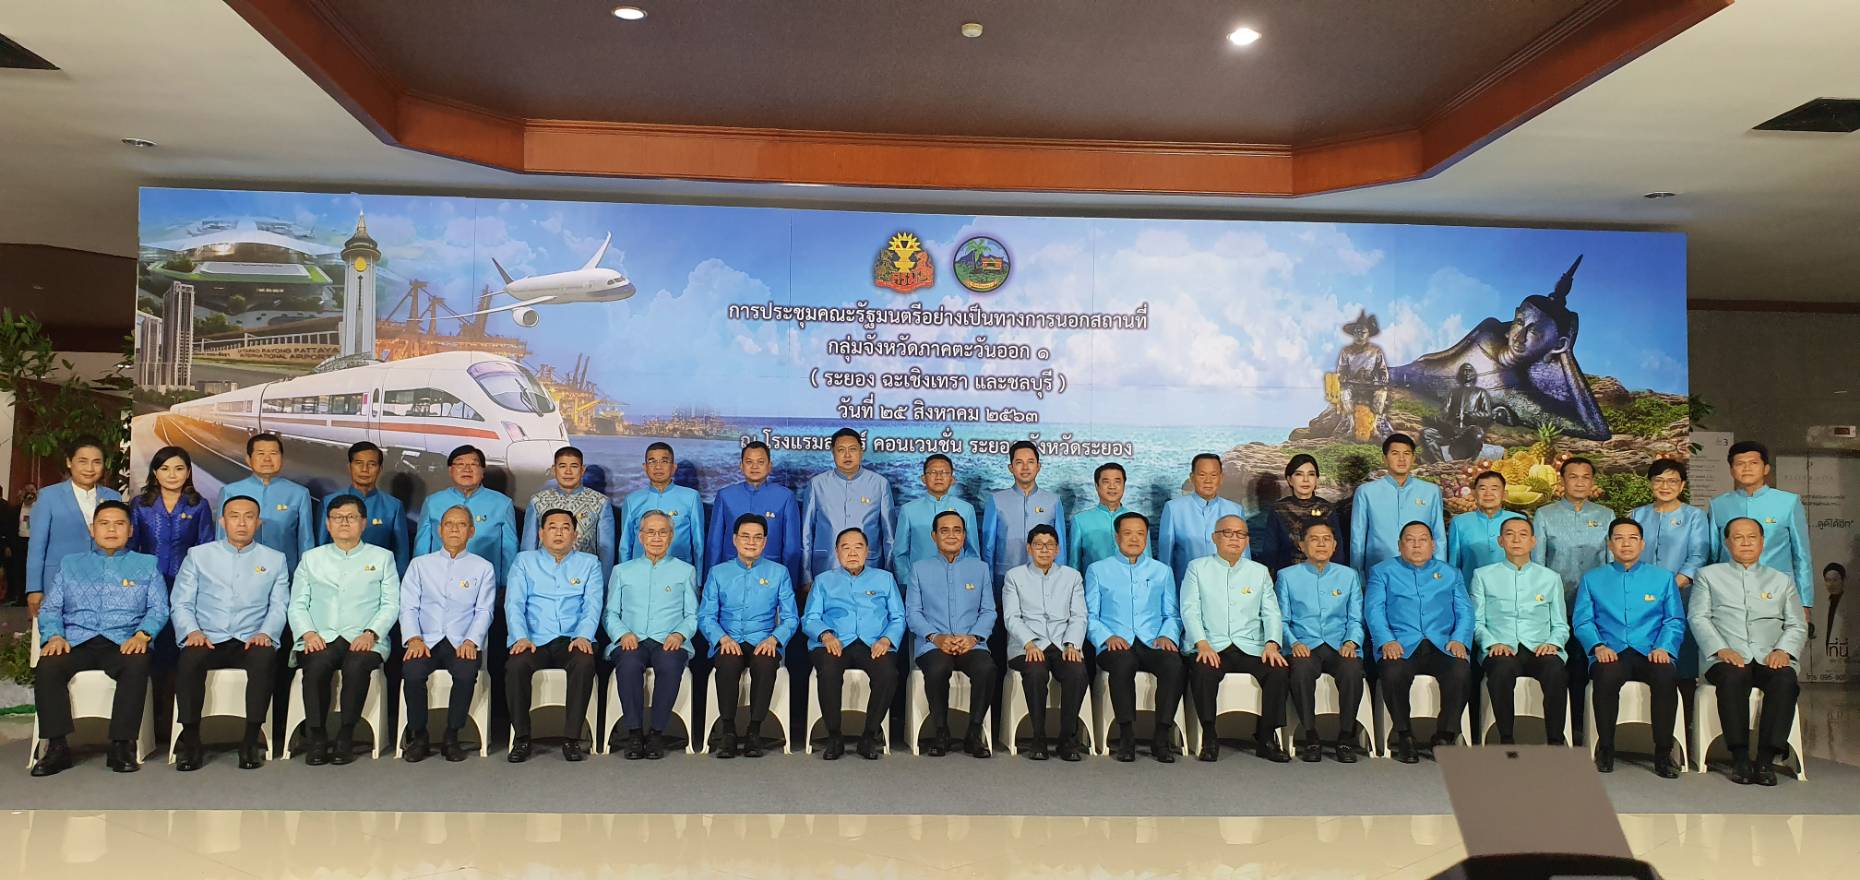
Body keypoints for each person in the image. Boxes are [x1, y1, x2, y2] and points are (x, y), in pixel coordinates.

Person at [30, 501, 167, 777]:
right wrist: (54, 635)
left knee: (137, 663)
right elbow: (51, 608)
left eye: (119, 524)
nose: (111, 530)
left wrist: (142, 635)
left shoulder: (146, 565)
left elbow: (159, 608)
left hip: (123, 641)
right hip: (76, 641)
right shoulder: (71, 564)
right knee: (48, 665)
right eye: (104, 524)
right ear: (92, 530)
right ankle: (56, 747)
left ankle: (122, 745)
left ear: (130, 530)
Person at [169, 495, 289, 771]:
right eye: (234, 516)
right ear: (223, 522)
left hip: (250, 637)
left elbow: (279, 605)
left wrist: (266, 633)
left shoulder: (274, 559)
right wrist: (192, 631)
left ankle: (250, 741)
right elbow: (181, 602)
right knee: (189, 660)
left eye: (249, 517)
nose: (242, 523)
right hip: (207, 636)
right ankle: (191, 741)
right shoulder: (199, 555)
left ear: (258, 522)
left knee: (264, 659)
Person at [1691, 518, 1807, 786]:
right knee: (1733, 677)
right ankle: (1740, 757)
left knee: (1785, 680)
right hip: (1725, 655)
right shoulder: (1708, 576)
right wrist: (1721, 648)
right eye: (1738, 537)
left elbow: (1797, 624)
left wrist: (1783, 650)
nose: (1746, 543)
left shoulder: (1781, 580)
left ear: (1762, 542)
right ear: (1727, 542)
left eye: (1752, 537)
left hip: (1770, 655)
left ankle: (1766, 759)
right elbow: (1698, 617)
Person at [289, 495, 400, 766]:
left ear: (363, 523)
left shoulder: (382, 558)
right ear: (328, 524)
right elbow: (297, 604)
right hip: (319, 636)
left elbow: (391, 604)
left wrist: (371, 633)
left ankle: (345, 735)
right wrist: (308, 634)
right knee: (315, 666)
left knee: (356, 666)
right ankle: (317, 736)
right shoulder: (311, 558)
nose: (344, 523)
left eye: (351, 517)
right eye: (337, 518)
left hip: (365, 637)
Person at [1574, 518, 1684, 777]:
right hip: (1610, 650)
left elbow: (1674, 620)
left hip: (1651, 650)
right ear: (1610, 544)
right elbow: (1583, 621)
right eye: (1619, 538)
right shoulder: (1592, 579)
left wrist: (1664, 648)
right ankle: (1606, 748)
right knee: (1606, 675)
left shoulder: (1663, 578)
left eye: (1632, 538)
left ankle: (1663, 752)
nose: (1626, 544)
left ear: (1642, 544)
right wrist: (1597, 646)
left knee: (1665, 675)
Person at [1179, 514, 1291, 763]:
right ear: (1214, 537)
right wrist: (1201, 643)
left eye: (1241, 534)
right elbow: (1189, 609)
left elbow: (1271, 612)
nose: (1234, 539)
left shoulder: (1258, 572)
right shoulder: (1197, 568)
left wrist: (1272, 643)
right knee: (1203, 670)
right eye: (1227, 533)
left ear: (1247, 541)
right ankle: (1210, 735)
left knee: (1278, 670)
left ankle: (1266, 737)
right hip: (1211, 644)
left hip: (1251, 646)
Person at [127, 446, 216, 741]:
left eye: (179, 469)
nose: (172, 475)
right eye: (165, 469)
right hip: (149, 589)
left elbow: (205, 549)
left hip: (187, 589)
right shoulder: (140, 505)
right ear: (155, 473)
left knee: (182, 653)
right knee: (153, 651)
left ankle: (181, 723)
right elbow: (132, 548)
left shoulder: (198, 505)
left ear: (188, 472)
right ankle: (154, 724)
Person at [1366, 521, 1472, 764]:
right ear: (1399, 545)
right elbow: (1374, 610)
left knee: (1460, 670)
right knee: (1393, 672)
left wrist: (1459, 639)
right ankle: (1404, 735)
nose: (1416, 545)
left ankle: (1445, 735)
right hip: (1401, 643)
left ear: (1432, 545)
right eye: (1410, 540)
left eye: (1422, 539)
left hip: (1442, 644)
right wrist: (1386, 640)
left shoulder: (1450, 573)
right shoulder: (1382, 572)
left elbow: (1465, 611)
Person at [397, 505, 496, 763]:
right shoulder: (420, 565)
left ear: (471, 531)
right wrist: (414, 638)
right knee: (412, 672)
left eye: (461, 524)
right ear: (439, 530)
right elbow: (408, 607)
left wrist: (471, 640)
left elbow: (484, 610)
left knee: (465, 672)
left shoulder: (483, 568)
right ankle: (419, 736)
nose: (454, 529)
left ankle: (452, 736)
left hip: (462, 640)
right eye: (448, 524)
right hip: (425, 640)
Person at [503, 509, 603, 763]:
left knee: (584, 662)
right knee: (515, 666)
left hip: (572, 639)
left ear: (575, 534)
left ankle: (572, 739)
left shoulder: (590, 563)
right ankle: (522, 738)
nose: (559, 533)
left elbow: (592, 606)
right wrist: (520, 637)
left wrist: (583, 636)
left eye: (565, 527)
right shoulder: (524, 561)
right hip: (533, 640)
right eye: (552, 527)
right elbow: (514, 604)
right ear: (541, 533)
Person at [1085, 511, 1184, 763]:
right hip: (1114, 643)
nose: (1134, 539)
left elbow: (1172, 614)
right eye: (1128, 533)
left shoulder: (1162, 571)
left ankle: (1161, 736)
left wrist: (1167, 635)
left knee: (1174, 664)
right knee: (1123, 663)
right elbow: (1089, 616)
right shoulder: (1098, 570)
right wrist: (1106, 637)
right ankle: (1126, 736)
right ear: (1117, 537)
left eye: (1140, 534)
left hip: (1152, 640)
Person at [700, 514, 799, 758]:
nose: (751, 542)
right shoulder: (718, 573)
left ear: (765, 542)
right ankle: (728, 731)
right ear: (734, 539)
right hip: (728, 639)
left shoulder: (779, 573)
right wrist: (722, 638)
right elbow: (706, 616)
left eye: (757, 537)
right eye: (745, 536)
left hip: (763, 640)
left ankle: (755, 731)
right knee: (727, 662)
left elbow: (790, 618)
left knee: (765, 664)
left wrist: (774, 639)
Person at [804, 528, 904, 760]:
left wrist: (886, 639)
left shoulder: (885, 579)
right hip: (834, 642)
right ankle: (834, 736)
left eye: (858, 547)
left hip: (874, 642)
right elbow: (810, 618)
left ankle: (869, 736)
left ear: (867, 551)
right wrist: (825, 635)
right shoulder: (823, 581)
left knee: (888, 674)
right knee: (828, 670)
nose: (852, 553)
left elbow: (898, 617)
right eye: (845, 547)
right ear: (837, 552)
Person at [606, 510, 698, 760]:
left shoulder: (685, 571)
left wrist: (679, 634)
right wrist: (622, 633)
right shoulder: (622, 571)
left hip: (668, 640)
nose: (656, 538)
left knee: (669, 664)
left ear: (671, 536)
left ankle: (657, 732)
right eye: (650, 532)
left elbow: (692, 615)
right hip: (631, 639)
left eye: (662, 532)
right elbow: (610, 613)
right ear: (640, 536)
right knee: (628, 663)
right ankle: (634, 733)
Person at [1468, 518, 1569, 745]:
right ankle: (1506, 738)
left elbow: (1561, 625)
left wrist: (1553, 643)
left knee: (1555, 669)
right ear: (1500, 541)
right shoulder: (1483, 576)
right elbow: (1476, 621)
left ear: (1533, 541)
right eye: (1509, 534)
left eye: (1523, 534)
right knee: (1501, 669)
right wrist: (1492, 643)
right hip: (1500, 647)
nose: (1516, 539)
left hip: (1540, 646)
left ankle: (1555, 740)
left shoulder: (1550, 578)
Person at [907, 511, 998, 758]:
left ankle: (974, 733)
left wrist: (973, 637)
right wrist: (935, 637)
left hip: (971, 643)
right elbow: (913, 613)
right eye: (944, 530)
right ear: (934, 536)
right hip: (933, 644)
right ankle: (941, 732)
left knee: (986, 668)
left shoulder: (979, 569)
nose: (951, 535)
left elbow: (988, 611)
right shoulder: (919, 569)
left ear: (964, 535)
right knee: (938, 668)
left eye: (957, 530)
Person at [1532, 455, 1611, 740]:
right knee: (1558, 666)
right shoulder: (1545, 515)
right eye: (1573, 477)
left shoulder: (1606, 515)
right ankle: (1557, 726)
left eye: (1585, 477)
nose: (1579, 482)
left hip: (1594, 607)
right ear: (1562, 481)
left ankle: (1582, 725)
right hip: (1556, 605)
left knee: (1586, 665)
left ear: (1592, 481)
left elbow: (1610, 563)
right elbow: (1538, 563)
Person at [1276, 522, 1365, 763]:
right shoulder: (1287, 576)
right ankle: (1311, 735)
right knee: (1301, 671)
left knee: (1352, 670)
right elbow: (1281, 620)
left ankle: (1345, 737)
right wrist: (1294, 643)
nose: (1321, 544)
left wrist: (1351, 642)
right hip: (1304, 645)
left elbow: (1355, 619)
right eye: (1314, 539)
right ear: (1302, 545)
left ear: (1335, 546)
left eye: (1327, 539)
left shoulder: (1348, 576)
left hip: (1339, 644)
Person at [1709, 441, 1815, 609]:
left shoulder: (1788, 502)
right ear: (1731, 470)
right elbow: (1713, 555)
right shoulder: (1718, 505)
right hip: (1730, 594)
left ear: (1766, 468)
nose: (1747, 468)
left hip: (1777, 592)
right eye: (1740, 464)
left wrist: (1805, 602)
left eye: (1753, 463)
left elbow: (1801, 555)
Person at [25, 436, 122, 619]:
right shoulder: (48, 496)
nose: (90, 468)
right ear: (69, 462)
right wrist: (34, 588)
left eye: (96, 462)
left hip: (103, 584)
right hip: (57, 583)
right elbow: (37, 545)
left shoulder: (113, 497)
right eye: (82, 461)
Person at [1631, 459, 1710, 678]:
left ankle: (1685, 694)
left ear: (1682, 485)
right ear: (1650, 483)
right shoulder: (1637, 515)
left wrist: (1672, 587)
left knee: (1681, 653)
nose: (1665, 486)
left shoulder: (1694, 516)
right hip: (1641, 595)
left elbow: (1698, 556)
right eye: (1659, 480)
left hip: (1681, 594)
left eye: (1672, 481)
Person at [414, 445, 519, 585]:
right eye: (460, 464)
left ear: (482, 471)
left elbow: (509, 550)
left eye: (473, 464)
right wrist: (419, 580)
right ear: (450, 470)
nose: (467, 469)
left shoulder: (502, 504)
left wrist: (507, 585)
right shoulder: (432, 502)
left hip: (484, 584)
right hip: (438, 583)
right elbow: (421, 548)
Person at [706, 441, 803, 590]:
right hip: (730, 574)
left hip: (771, 575)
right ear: (741, 465)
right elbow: (714, 543)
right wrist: (709, 582)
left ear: (769, 465)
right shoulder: (725, 496)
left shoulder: (785, 497)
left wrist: (790, 585)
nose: (754, 466)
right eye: (749, 462)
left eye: (760, 462)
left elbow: (791, 547)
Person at [802, 428, 894, 583]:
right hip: (826, 567)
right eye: (841, 450)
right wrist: (805, 575)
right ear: (833, 452)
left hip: (870, 568)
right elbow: (806, 533)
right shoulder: (817, 485)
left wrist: (889, 575)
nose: (847, 455)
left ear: (861, 451)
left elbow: (889, 536)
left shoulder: (879, 484)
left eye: (852, 449)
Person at [219, 433, 315, 574]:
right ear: (248, 459)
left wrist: (305, 575)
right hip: (241, 571)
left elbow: (305, 539)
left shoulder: (299, 493)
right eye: (261, 453)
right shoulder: (230, 491)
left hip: (285, 572)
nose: (267, 459)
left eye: (273, 453)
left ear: (282, 459)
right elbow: (221, 536)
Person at [1348, 433, 1444, 574]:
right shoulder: (1366, 492)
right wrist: (1358, 575)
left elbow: (1439, 537)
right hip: (1378, 571)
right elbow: (1358, 539)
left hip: (1422, 572)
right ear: (1384, 458)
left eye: (1406, 453)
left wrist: (1439, 573)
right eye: (1395, 453)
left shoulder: (1431, 491)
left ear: (1413, 458)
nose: (1401, 459)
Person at [981, 441, 1066, 589]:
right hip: (1004, 578)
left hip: (1044, 579)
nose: (1025, 467)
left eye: (1030, 462)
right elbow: (988, 547)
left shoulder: (1053, 501)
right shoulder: (997, 500)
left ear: (1038, 467)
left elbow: (1061, 547)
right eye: (1019, 462)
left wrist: (1060, 583)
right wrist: (988, 584)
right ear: (1011, 468)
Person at [317, 442, 411, 573]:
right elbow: (320, 548)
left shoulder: (393, 506)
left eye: (371, 464)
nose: (365, 469)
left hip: (377, 578)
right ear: (349, 467)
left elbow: (401, 555)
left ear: (380, 468)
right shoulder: (329, 502)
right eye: (358, 463)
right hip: (336, 577)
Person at [1158, 453, 1249, 587]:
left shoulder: (1235, 510)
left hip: (1227, 589)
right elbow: (1165, 561)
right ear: (1192, 478)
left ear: (1221, 478)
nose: (1208, 481)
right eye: (1202, 475)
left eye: (1213, 475)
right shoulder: (1173, 509)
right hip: (1186, 589)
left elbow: (1244, 558)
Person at [521, 446, 616, 573]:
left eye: (574, 466)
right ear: (554, 469)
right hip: (544, 574)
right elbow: (528, 547)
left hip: (585, 575)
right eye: (562, 466)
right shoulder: (538, 501)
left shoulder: (600, 502)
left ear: (582, 470)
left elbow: (606, 549)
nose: (568, 472)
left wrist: (602, 581)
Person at [891, 453, 978, 592]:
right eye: (932, 472)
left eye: (944, 472)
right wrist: (907, 581)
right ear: (923, 479)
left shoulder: (966, 509)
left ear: (952, 479)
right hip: (918, 583)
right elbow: (900, 553)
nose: (938, 477)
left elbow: (972, 552)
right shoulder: (908, 510)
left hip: (958, 582)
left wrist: (968, 580)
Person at [619, 442, 704, 572]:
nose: (658, 467)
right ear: (645, 467)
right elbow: (625, 546)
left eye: (664, 461)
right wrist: (624, 576)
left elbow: (698, 545)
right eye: (652, 461)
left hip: (679, 572)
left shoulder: (691, 497)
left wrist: (697, 579)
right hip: (640, 572)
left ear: (674, 467)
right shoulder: (632, 500)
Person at [1258, 454, 1345, 573]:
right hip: (1287, 574)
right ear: (1290, 480)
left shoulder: (1327, 509)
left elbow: (1337, 551)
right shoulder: (1278, 509)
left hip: (1322, 574)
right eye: (1299, 474)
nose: (1305, 480)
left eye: (1311, 474)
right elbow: (1270, 551)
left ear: (1316, 479)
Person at [1446, 471, 1523, 587]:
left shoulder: (1519, 520)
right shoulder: (1459, 522)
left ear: (1504, 494)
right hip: (1471, 591)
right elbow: (1453, 565)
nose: (1488, 493)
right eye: (1482, 488)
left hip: (1512, 591)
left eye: (1494, 488)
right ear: (1474, 494)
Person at [1069, 462, 1139, 573]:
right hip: (1093, 583)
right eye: (1106, 482)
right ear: (1097, 486)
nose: (1112, 486)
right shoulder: (1080, 521)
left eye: (1117, 481)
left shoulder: (1138, 521)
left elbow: (1148, 563)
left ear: (1124, 485)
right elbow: (1074, 564)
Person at [1824, 563, 1846, 650]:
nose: (1831, 584)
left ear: (1843, 580)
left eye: (1835, 580)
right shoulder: (1827, 603)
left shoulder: (1849, 603)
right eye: (1827, 580)